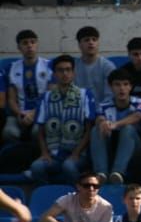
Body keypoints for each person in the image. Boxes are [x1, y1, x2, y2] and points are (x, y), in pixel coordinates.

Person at [29, 54, 95, 184]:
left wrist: (76, 153)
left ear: (73, 73)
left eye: (68, 69)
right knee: (36, 167)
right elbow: (40, 130)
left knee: (68, 167)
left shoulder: (85, 95)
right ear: (54, 74)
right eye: (60, 70)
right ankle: (48, 194)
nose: (65, 73)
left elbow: (89, 130)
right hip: (53, 153)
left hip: (77, 153)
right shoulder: (46, 97)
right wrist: (44, 153)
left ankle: (78, 196)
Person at [90, 69, 141, 184]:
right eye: (117, 85)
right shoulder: (104, 105)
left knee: (127, 128)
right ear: (110, 87)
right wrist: (103, 123)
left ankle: (118, 173)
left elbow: (137, 116)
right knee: (97, 129)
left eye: (125, 84)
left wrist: (115, 124)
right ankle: (101, 174)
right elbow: (99, 118)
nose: (122, 88)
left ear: (130, 87)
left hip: (135, 147)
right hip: (111, 144)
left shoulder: (140, 102)